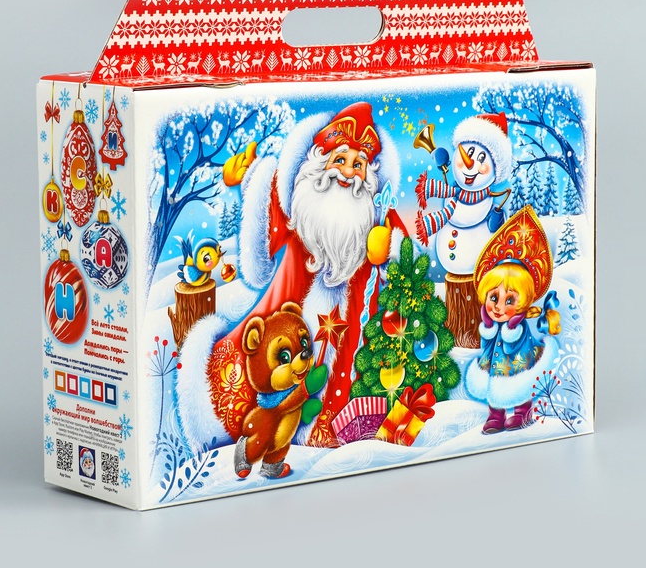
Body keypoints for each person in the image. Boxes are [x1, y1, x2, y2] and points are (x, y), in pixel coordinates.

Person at [176, 102, 407, 451]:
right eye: (340, 159)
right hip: (285, 330)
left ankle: (324, 426)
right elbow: (262, 232)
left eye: (358, 164)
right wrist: (250, 177)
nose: (348, 173)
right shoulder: (300, 206)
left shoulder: (376, 220)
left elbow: (406, 259)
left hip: (353, 344)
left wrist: (390, 248)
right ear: (319, 162)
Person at [464, 206, 561, 433]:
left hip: (517, 362)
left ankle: (522, 411)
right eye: (494, 298)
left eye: (509, 300)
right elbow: (486, 345)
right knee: (493, 384)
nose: (499, 307)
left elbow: (515, 346)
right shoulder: (491, 322)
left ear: (523, 301)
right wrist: (488, 328)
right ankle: (495, 415)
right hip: (495, 363)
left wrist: (511, 330)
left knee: (519, 384)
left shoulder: (518, 325)